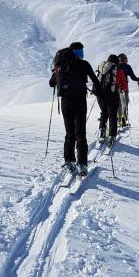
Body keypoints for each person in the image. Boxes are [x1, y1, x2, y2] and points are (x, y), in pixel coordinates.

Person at [49, 41, 99, 176]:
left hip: (65, 102)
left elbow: (51, 83)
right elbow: (95, 81)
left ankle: (69, 161)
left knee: (69, 132)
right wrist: (100, 94)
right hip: (80, 101)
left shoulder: (60, 65)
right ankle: (82, 164)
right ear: (78, 52)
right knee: (80, 133)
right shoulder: (84, 64)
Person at [95, 54, 126, 146]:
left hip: (100, 95)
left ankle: (102, 132)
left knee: (104, 112)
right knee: (112, 115)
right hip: (112, 95)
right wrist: (121, 89)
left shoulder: (101, 67)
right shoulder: (118, 70)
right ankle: (112, 136)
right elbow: (124, 85)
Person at [118, 53, 139, 127]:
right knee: (125, 103)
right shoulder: (127, 66)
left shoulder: (116, 66)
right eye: (125, 58)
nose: (126, 60)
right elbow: (133, 77)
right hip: (124, 88)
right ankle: (123, 120)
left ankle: (119, 121)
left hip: (116, 88)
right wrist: (137, 79)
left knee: (119, 104)